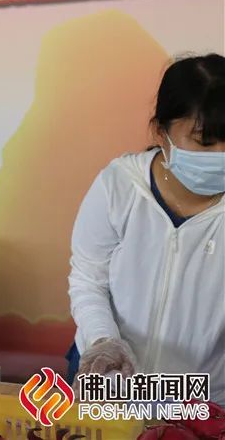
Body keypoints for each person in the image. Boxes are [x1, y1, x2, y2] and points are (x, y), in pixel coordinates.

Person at [68, 54, 224, 404]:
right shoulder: (120, 186)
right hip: (109, 379)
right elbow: (88, 279)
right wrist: (103, 341)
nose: (221, 154)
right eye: (205, 142)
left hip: (199, 395)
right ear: (161, 133)